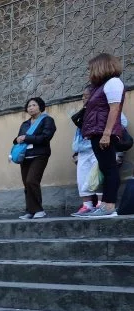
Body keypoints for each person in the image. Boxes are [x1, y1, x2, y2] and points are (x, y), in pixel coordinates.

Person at [79, 52, 126, 218]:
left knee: (110, 169)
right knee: (106, 169)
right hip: (97, 133)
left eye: (91, 68)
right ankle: (105, 205)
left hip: (104, 133)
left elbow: (114, 109)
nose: (89, 72)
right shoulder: (100, 86)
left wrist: (106, 134)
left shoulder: (113, 82)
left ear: (101, 66)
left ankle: (109, 206)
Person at [71, 85, 129, 216]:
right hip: (83, 150)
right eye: (83, 96)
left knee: (98, 176)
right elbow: (79, 134)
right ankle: (87, 205)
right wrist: (75, 151)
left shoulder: (106, 106)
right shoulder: (84, 111)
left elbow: (122, 123)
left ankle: (100, 204)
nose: (84, 98)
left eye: (87, 96)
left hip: (98, 147)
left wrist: (105, 132)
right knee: (83, 178)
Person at [12, 97, 55, 219]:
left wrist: (27, 138)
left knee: (32, 180)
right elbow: (19, 138)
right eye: (29, 106)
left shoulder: (47, 120)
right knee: (27, 184)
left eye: (34, 105)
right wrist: (17, 139)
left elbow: (46, 137)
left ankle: (39, 210)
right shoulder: (25, 124)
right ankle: (30, 211)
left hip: (40, 155)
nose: (31, 108)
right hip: (25, 156)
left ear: (40, 106)